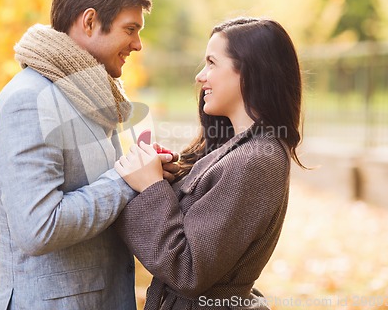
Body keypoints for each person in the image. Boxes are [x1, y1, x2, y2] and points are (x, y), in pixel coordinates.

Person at [0, 0, 152, 310]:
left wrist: (150, 175)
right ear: (90, 22)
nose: (138, 44)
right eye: (130, 29)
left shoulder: (91, 96)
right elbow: (39, 227)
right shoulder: (29, 101)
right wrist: (126, 181)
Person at [114, 17, 304, 309]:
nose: (201, 76)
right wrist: (167, 180)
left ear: (250, 72)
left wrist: (151, 188)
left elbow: (188, 271)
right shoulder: (240, 149)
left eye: (212, 63)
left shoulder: (256, 160)